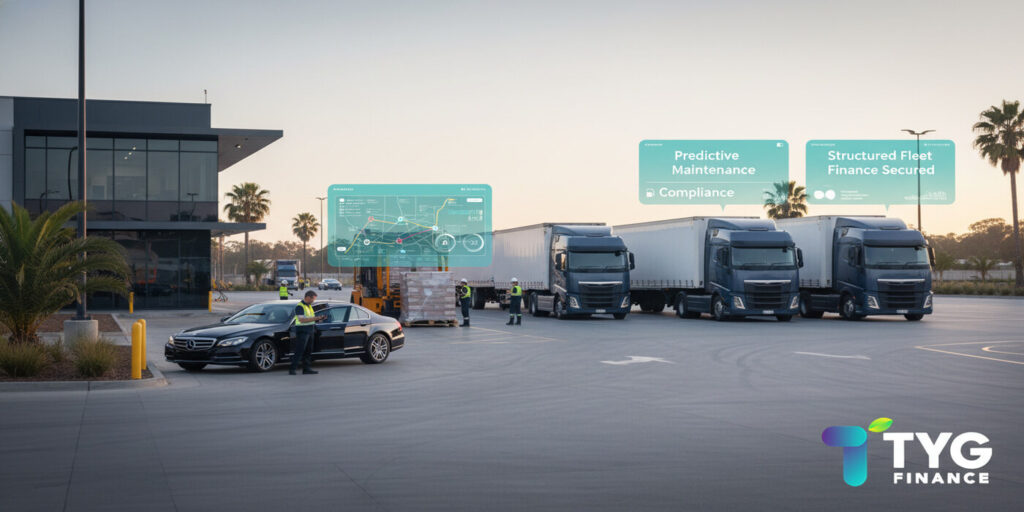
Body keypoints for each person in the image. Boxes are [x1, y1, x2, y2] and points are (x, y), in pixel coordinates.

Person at [290, 290, 326, 375]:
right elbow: (301, 320)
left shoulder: (309, 306)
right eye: (313, 299)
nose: (313, 301)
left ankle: (306, 369)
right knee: (300, 350)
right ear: (308, 297)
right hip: (302, 330)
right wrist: (316, 318)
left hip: (310, 330)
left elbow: (310, 318)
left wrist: (320, 318)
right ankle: (292, 369)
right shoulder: (300, 306)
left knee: (308, 351)